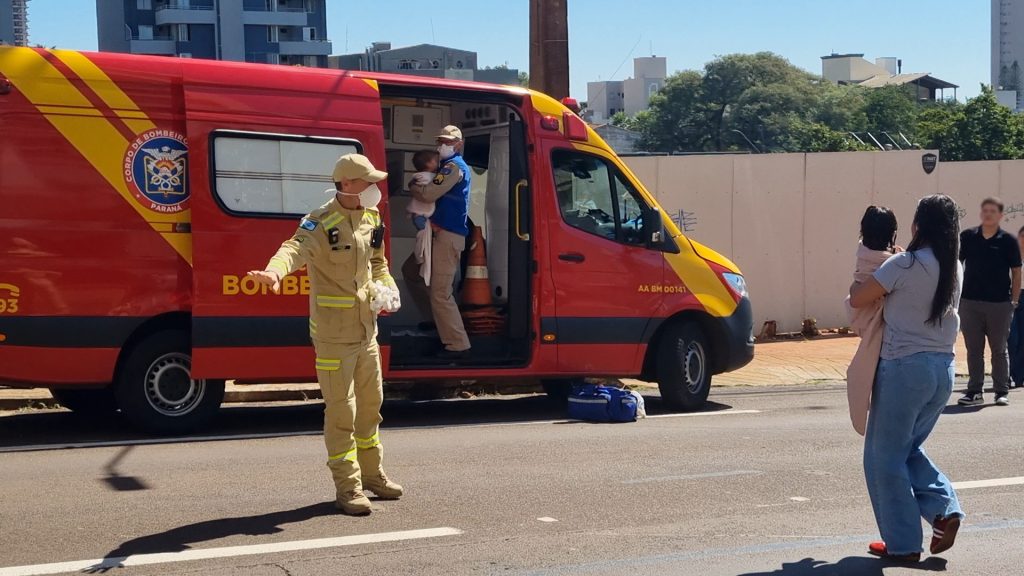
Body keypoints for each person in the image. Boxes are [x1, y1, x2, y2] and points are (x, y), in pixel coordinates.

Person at [247, 153, 404, 516]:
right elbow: (293, 249)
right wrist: (274, 273)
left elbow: (377, 262)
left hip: (367, 332)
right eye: (368, 182)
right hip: (334, 336)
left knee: (370, 409)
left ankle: (373, 476)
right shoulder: (321, 222)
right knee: (341, 413)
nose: (374, 189)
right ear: (347, 185)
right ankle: (348, 488)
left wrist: (386, 286)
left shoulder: (371, 217)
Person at [850, 194, 964, 563]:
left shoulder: (905, 263)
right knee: (906, 450)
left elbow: (858, 298)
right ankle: (944, 511)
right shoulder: (954, 266)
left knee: (882, 459)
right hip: (942, 370)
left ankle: (902, 544)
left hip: (903, 370)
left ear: (918, 226)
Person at [401, 125, 472, 359]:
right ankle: (436, 320)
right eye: (441, 141)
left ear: (458, 144)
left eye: (448, 142)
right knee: (410, 272)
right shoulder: (444, 166)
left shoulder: (453, 168)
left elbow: (429, 194)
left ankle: (457, 345)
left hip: (448, 236)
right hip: (436, 234)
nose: (443, 145)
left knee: (440, 292)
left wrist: (413, 186)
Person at [957, 197, 1022, 407]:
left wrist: (1013, 301)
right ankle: (975, 391)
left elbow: (1016, 271)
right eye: (985, 210)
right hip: (970, 303)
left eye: (993, 211)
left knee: (999, 350)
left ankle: (1001, 391)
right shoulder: (967, 237)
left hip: (999, 305)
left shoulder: (1008, 241)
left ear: (1000, 215)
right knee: (974, 350)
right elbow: (957, 265)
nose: (988, 214)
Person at [845, 206, 898, 436]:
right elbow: (859, 298)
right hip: (880, 326)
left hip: (865, 321)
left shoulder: (862, 251)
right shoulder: (892, 262)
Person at [408, 149, 440, 287]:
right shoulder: (428, 178)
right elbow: (435, 188)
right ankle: (420, 254)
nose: (438, 163)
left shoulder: (417, 177)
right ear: (428, 164)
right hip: (423, 216)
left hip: (417, 215)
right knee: (423, 238)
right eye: (436, 160)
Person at [1009, 225, 1024, 389]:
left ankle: (1019, 377)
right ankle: (1006, 375)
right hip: (1011, 297)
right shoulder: (1010, 256)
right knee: (1012, 338)